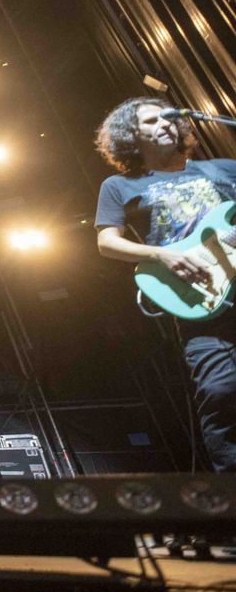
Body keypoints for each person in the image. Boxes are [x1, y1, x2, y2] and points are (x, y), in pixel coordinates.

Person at [93, 96, 236, 472]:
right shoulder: (119, 185)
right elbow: (107, 242)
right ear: (131, 137)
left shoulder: (222, 169)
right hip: (201, 299)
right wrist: (163, 255)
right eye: (153, 121)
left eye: (170, 117)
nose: (167, 123)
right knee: (220, 392)